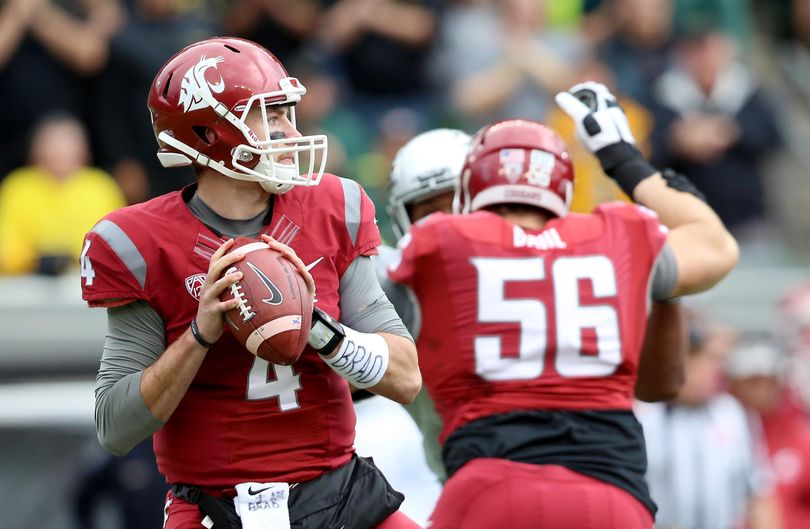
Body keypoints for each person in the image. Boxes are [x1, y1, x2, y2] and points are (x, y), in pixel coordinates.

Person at [80, 37, 421, 529]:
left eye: (287, 113)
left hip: (340, 495)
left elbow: (406, 377)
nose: (289, 130)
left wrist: (321, 331)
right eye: (272, 115)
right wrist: (199, 336)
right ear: (211, 131)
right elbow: (114, 428)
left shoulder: (331, 208)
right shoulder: (140, 242)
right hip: (213, 509)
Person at [388, 81, 739, 528]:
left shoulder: (435, 246)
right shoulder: (618, 239)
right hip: (612, 495)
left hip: (489, 486)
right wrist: (623, 159)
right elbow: (715, 246)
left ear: (469, 190)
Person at [637, 322, 782, 529]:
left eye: (707, 361)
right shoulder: (645, 415)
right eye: (690, 361)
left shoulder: (732, 414)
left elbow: (758, 492)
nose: (700, 372)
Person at [0, 111, 125, 275]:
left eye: (67, 144)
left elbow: (117, 246)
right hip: (26, 284)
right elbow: (5, 245)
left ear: (84, 150)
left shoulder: (101, 187)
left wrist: (71, 258)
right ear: (35, 150)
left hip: (88, 280)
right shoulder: (18, 187)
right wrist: (36, 260)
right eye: (51, 145)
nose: (59, 152)